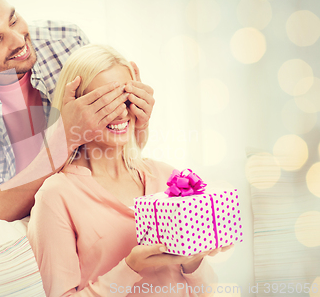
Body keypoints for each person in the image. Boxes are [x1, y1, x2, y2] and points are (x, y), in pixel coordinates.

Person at [0, 0, 155, 221]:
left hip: (64, 182)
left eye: (13, 20)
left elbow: (110, 151)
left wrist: (138, 122)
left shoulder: (66, 40)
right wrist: (66, 137)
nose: (19, 40)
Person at [27, 45, 232, 296]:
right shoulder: (56, 195)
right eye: (104, 102)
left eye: (128, 97)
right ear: (76, 110)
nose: (122, 111)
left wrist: (193, 259)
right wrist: (130, 267)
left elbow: (208, 291)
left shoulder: (168, 178)